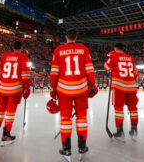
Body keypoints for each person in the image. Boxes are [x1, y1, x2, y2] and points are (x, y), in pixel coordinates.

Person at [50, 29, 97, 159]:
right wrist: (91, 84)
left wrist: (53, 88)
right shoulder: (84, 49)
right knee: (81, 118)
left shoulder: (58, 50)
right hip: (81, 89)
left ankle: (66, 148)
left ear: (66, 37)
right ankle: (82, 146)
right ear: (76, 37)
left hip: (64, 90)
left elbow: (54, 72)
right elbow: (89, 68)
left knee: (65, 119)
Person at [0, 41, 31, 142]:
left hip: (2, 88)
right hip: (15, 89)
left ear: (12, 46)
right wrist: (27, 88)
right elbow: (25, 75)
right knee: (10, 112)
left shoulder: (4, 56)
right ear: (22, 47)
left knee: (0, 110)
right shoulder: (23, 57)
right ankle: (6, 134)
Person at [104, 43, 139, 140]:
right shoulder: (130, 57)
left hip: (119, 87)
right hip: (131, 86)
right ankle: (134, 128)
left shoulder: (114, 56)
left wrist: (111, 56)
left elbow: (106, 67)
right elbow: (135, 73)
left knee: (118, 109)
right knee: (133, 108)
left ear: (115, 49)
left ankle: (120, 131)